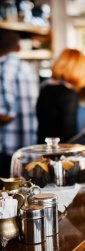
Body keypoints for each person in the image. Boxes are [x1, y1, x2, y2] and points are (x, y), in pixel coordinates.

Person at [0, 29, 39, 178]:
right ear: (18, 47)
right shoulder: (27, 68)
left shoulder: (2, 68)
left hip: (6, 150)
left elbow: (6, 115)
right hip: (28, 147)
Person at [36, 48, 85, 144]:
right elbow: (70, 136)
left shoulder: (46, 89)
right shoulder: (68, 95)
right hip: (61, 153)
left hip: (44, 148)